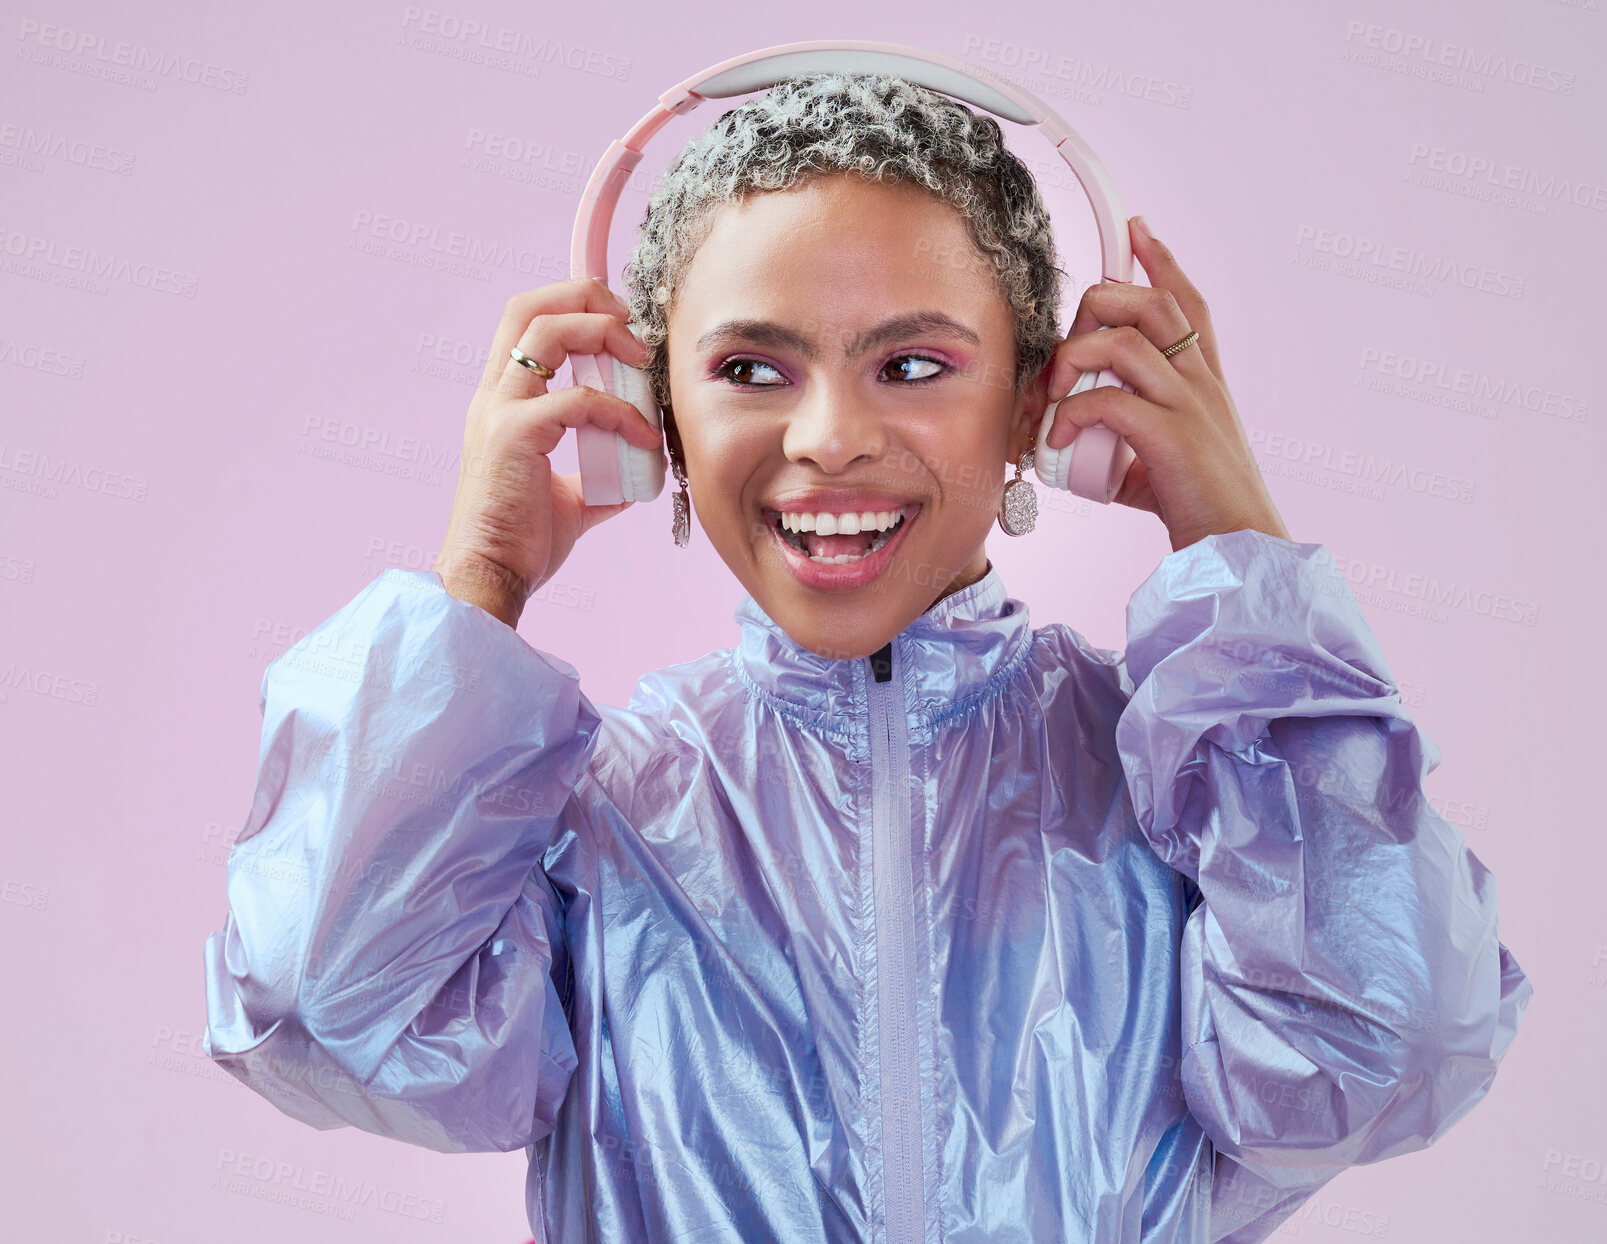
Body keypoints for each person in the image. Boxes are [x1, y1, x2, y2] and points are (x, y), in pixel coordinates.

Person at [202, 73, 1531, 1243]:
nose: (829, 436)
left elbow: (1390, 1042)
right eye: (752, 369)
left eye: (910, 362)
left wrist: (1232, 543)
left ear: (1034, 404)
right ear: (652, 416)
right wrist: (475, 587)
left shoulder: (1189, 798)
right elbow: (326, 1015)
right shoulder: (597, 822)